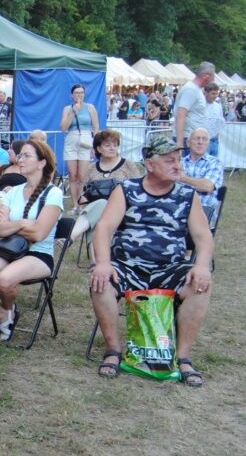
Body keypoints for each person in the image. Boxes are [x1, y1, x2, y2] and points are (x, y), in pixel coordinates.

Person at [89, 136, 214, 385]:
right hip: (127, 266)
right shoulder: (126, 190)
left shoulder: (187, 195)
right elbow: (103, 228)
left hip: (170, 268)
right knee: (100, 281)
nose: (177, 166)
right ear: (149, 163)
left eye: (178, 160)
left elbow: (203, 236)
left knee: (199, 286)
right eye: (169, 161)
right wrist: (103, 262)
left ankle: (182, 358)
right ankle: (113, 350)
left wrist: (201, 266)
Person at [0, 139, 63, 340]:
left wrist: (11, 227)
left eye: (27, 156)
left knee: (3, 281)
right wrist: (24, 223)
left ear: (41, 163)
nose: (20, 159)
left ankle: (6, 313)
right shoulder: (14, 192)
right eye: (20, 155)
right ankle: (4, 314)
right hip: (10, 249)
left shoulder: (54, 193)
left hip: (38, 253)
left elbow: (39, 234)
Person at [71, 129, 145, 244]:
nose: (112, 148)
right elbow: (83, 196)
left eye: (115, 145)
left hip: (123, 209)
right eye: (108, 145)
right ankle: (96, 260)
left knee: (103, 207)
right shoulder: (91, 169)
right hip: (97, 211)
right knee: (100, 210)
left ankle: (72, 235)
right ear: (99, 148)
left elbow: (139, 190)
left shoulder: (128, 165)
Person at [60, 84, 100, 209]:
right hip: (71, 139)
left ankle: (82, 202)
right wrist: (73, 112)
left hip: (86, 138)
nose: (79, 95)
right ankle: (75, 205)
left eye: (81, 92)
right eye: (77, 93)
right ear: (72, 95)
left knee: (82, 175)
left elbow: (96, 127)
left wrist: (95, 145)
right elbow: (63, 128)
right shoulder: (67, 108)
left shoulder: (90, 107)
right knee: (73, 175)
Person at [179, 128, 224, 226]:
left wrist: (182, 178)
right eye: (197, 139)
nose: (200, 142)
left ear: (208, 143)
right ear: (188, 142)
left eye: (204, 139)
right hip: (179, 210)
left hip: (203, 212)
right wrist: (197, 183)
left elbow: (207, 186)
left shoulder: (215, 163)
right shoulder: (179, 162)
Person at [174, 63, 215, 150]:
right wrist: (180, 143)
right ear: (206, 76)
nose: (212, 81)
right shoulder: (191, 90)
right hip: (188, 140)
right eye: (212, 77)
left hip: (192, 139)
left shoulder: (196, 89)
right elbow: (181, 115)